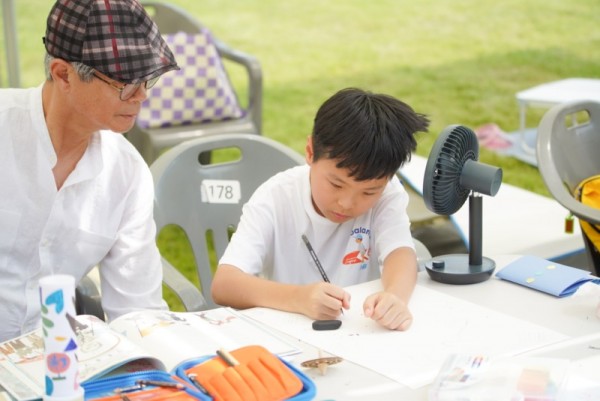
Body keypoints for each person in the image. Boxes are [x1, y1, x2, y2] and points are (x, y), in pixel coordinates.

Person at [0, 0, 179, 342]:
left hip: (55, 362)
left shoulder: (127, 174)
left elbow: (138, 311)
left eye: (148, 79)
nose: (141, 95)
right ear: (63, 74)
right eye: (125, 82)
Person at [211, 88, 430, 331]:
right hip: (288, 333)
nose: (347, 203)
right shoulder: (275, 196)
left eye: (368, 192)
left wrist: (395, 297)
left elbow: (399, 253)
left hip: (358, 330)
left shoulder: (388, 193)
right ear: (310, 152)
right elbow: (224, 285)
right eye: (336, 184)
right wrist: (299, 298)